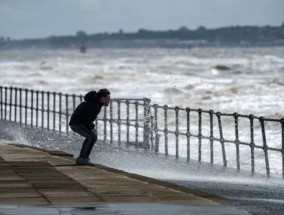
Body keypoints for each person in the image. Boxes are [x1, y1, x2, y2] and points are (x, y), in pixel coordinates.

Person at [69, 89, 111, 166]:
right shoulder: (94, 105)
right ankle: (83, 159)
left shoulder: (95, 103)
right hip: (76, 123)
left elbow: (87, 118)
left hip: (79, 123)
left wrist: (91, 127)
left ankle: (83, 158)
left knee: (93, 137)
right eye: (108, 99)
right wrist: (91, 127)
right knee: (91, 137)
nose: (109, 101)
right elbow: (85, 118)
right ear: (103, 98)